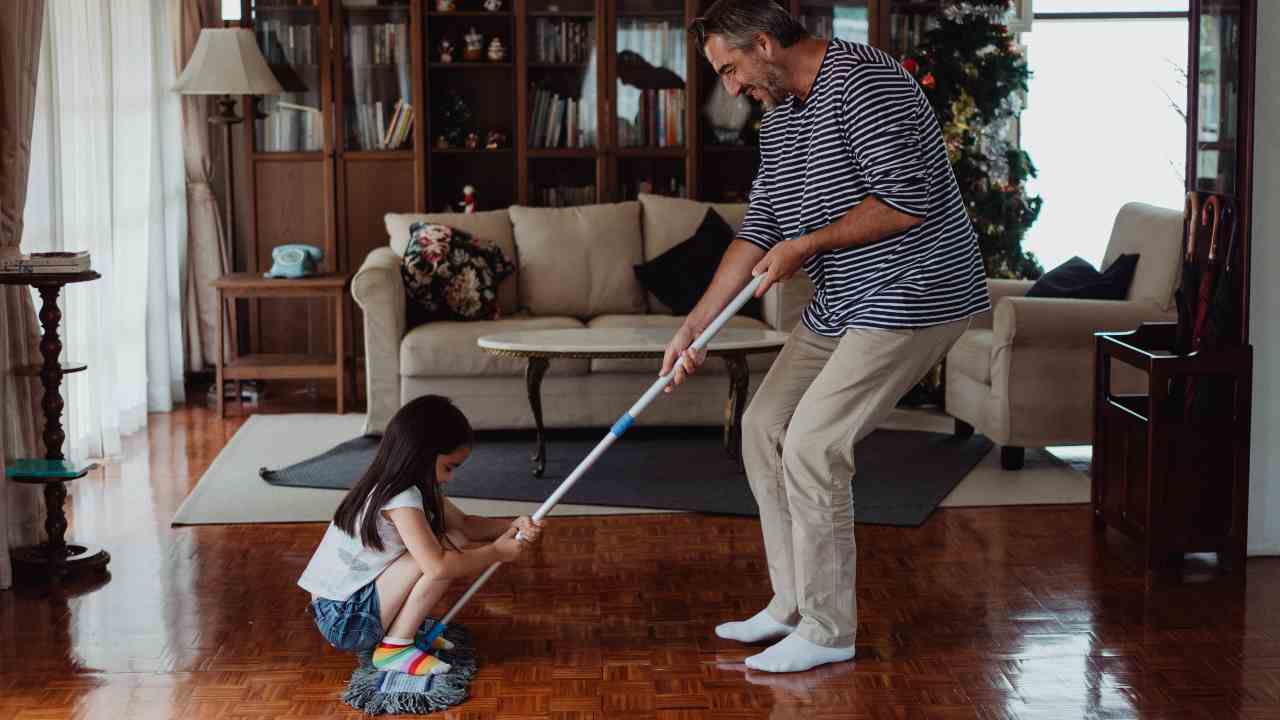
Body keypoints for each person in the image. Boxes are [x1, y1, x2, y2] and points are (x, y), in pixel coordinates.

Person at [669, 0, 990, 673]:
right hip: (844, 297)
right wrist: (696, 322)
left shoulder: (866, 82)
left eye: (731, 70)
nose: (730, 89)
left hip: (916, 291)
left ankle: (828, 628)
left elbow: (905, 201)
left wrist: (802, 246)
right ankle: (791, 603)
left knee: (814, 445)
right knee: (763, 428)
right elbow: (760, 222)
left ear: (763, 43)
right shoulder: (781, 111)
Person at [298, 395, 543, 675]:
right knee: (441, 555)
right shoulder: (400, 497)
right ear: (423, 454)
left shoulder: (401, 484)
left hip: (341, 607)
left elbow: (464, 524)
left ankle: (399, 633)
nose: (450, 478)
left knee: (453, 539)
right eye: (448, 467)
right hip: (346, 619)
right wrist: (496, 552)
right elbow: (438, 567)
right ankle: (396, 647)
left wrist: (512, 526)